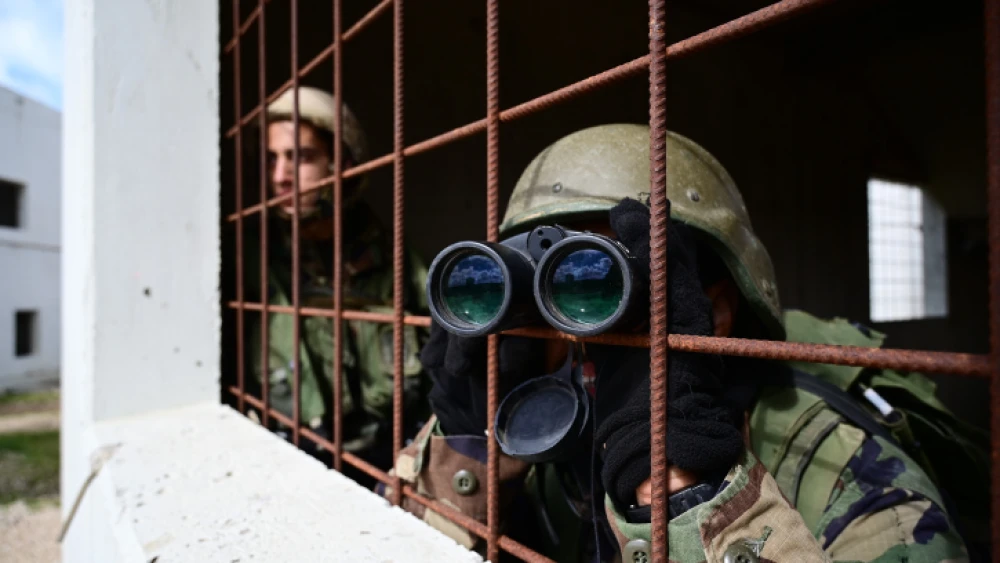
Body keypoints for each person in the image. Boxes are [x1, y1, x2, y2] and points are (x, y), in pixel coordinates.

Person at [382, 124, 980, 562]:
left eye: (595, 285)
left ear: (716, 310)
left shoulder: (829, 461)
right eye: (549, 291)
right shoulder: (534, 425)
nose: (570, 332)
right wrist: (469, 446)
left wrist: (677, 485)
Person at [244, 86, 430, 487]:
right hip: (285, 468)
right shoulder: (255, 265)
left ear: (341, 162)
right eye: (272, 159)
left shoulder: (399, 266)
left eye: (302, 157)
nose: (280, 176)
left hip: (383, 468)